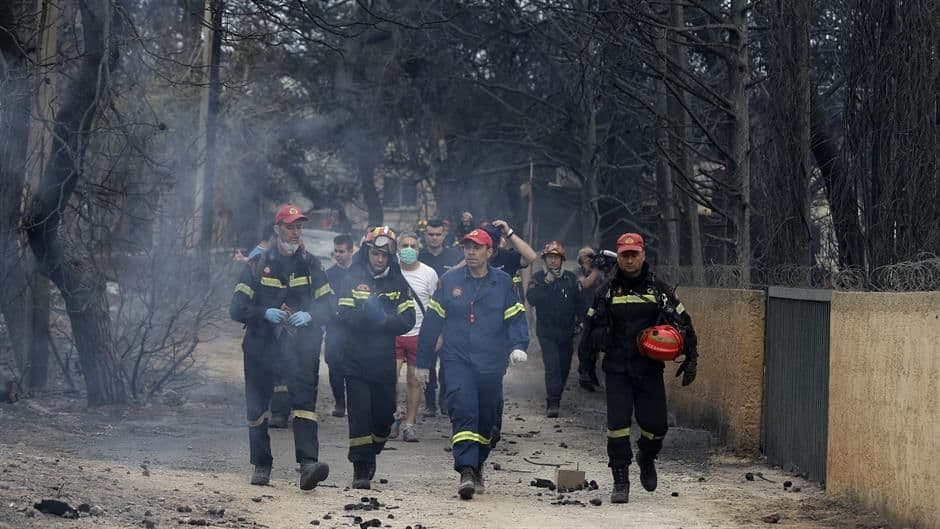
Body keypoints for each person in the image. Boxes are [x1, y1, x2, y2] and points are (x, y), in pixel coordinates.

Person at [584, 232, 699, 504]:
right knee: (618, 425)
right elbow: (590, 329)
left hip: (649, 369)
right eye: (625, 255)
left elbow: (684, 322)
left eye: (634, 254)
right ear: (618, 257)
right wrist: (586, 366)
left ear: (643, 255)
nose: (629, 260)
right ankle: (620, 480)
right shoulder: (606, 291)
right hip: (617, 369)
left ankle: (646, 455)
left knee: (657, 427)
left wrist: (691, 357)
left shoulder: (659, 290)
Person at [416, 228, 529, 500]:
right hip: (457, 360)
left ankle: (477, 465)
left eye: (477, 247)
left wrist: (518, 345)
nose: (470, 252)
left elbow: (515, 316)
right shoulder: (449, 281)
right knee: (463, 409)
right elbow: (432, 323)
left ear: (490, 252)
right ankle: (465, 469)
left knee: (487, 417)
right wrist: (422, 362)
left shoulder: (503, 282)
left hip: (491, 362)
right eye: (467, 247)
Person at [229, 204, 334, 489]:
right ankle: (261, 464)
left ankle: (308, 464)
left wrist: (310, 315)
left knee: (304, 405)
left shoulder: (311, 264)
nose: (295, 232)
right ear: (277, 229)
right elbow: (236, 308)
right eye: (290, 227)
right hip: (261, 345)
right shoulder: (256, 263)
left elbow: (329, 304)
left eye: (299, 227)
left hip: (301, 346)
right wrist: (263, 313)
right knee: (257, 408)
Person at [334, 226, 417, 489]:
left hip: (383, 361)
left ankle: (375, 447)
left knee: (383, 418)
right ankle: (360, 467)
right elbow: (342, 314)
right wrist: (366, 316)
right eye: (375, 254)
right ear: (367, 252)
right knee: (359, 416)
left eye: (385, 255)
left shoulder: (397, 282)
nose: (380, 259)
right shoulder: (351, 278)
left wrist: (383, 320)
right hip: (355, 359)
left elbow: (408, 319)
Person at [525, 241, 582, 417]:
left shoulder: (571, 278)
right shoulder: (537, 278)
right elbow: (531, 299)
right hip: (546, 331)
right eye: (550, 257)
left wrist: (580, 321)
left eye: (556, 258)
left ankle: (557, 394)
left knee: (564, 367)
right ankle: (553, 403)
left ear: (562, 259)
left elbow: (579, 302)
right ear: (544, 259)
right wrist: (546, 283)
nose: (553, 261)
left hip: (567, 331)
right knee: (552, 367)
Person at [393, 232, 439, 442]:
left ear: (419, 250)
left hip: (419, 334)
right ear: (397, 249)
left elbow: (437, 306)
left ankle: (409, 425)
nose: (409, 249)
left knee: (415, 381)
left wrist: (438, 335)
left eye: (413, 246)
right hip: (393, 333)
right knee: (389, 379)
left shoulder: (429, 273)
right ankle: (392, 416)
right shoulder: (391, 269)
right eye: (405, 245)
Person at [417, 218, 463, 417]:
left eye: (438, 234)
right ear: (425, 235)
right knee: (427, 359)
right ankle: (429, 402)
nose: (434, 238)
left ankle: (444, 398)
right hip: (426, 316)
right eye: (430, 234)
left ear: (444, 235)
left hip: (450, 317)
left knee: (448, 361)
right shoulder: (419, 256)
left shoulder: (455, 256)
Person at [325, 234, 356, 417]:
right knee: (333, 364)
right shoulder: (329, 275)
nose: (338, 255)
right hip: (334, 327)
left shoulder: (359, 273)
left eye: (342, 251)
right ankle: (339, 403)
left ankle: (353, 404)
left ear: (351, 251)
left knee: (353, 366)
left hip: (355, 328)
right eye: (336, 251)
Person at [575, 246, 605, 391]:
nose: (591, 258)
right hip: (583, 312)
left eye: (593, 255)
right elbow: (585, 283)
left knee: (596, 343)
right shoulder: (577, 272)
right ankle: (584, 371)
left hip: (597, 312)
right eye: (589, 256)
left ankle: (591, 371)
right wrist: (596, 270)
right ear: (581, 258)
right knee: (585, 341)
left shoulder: (598, 273)